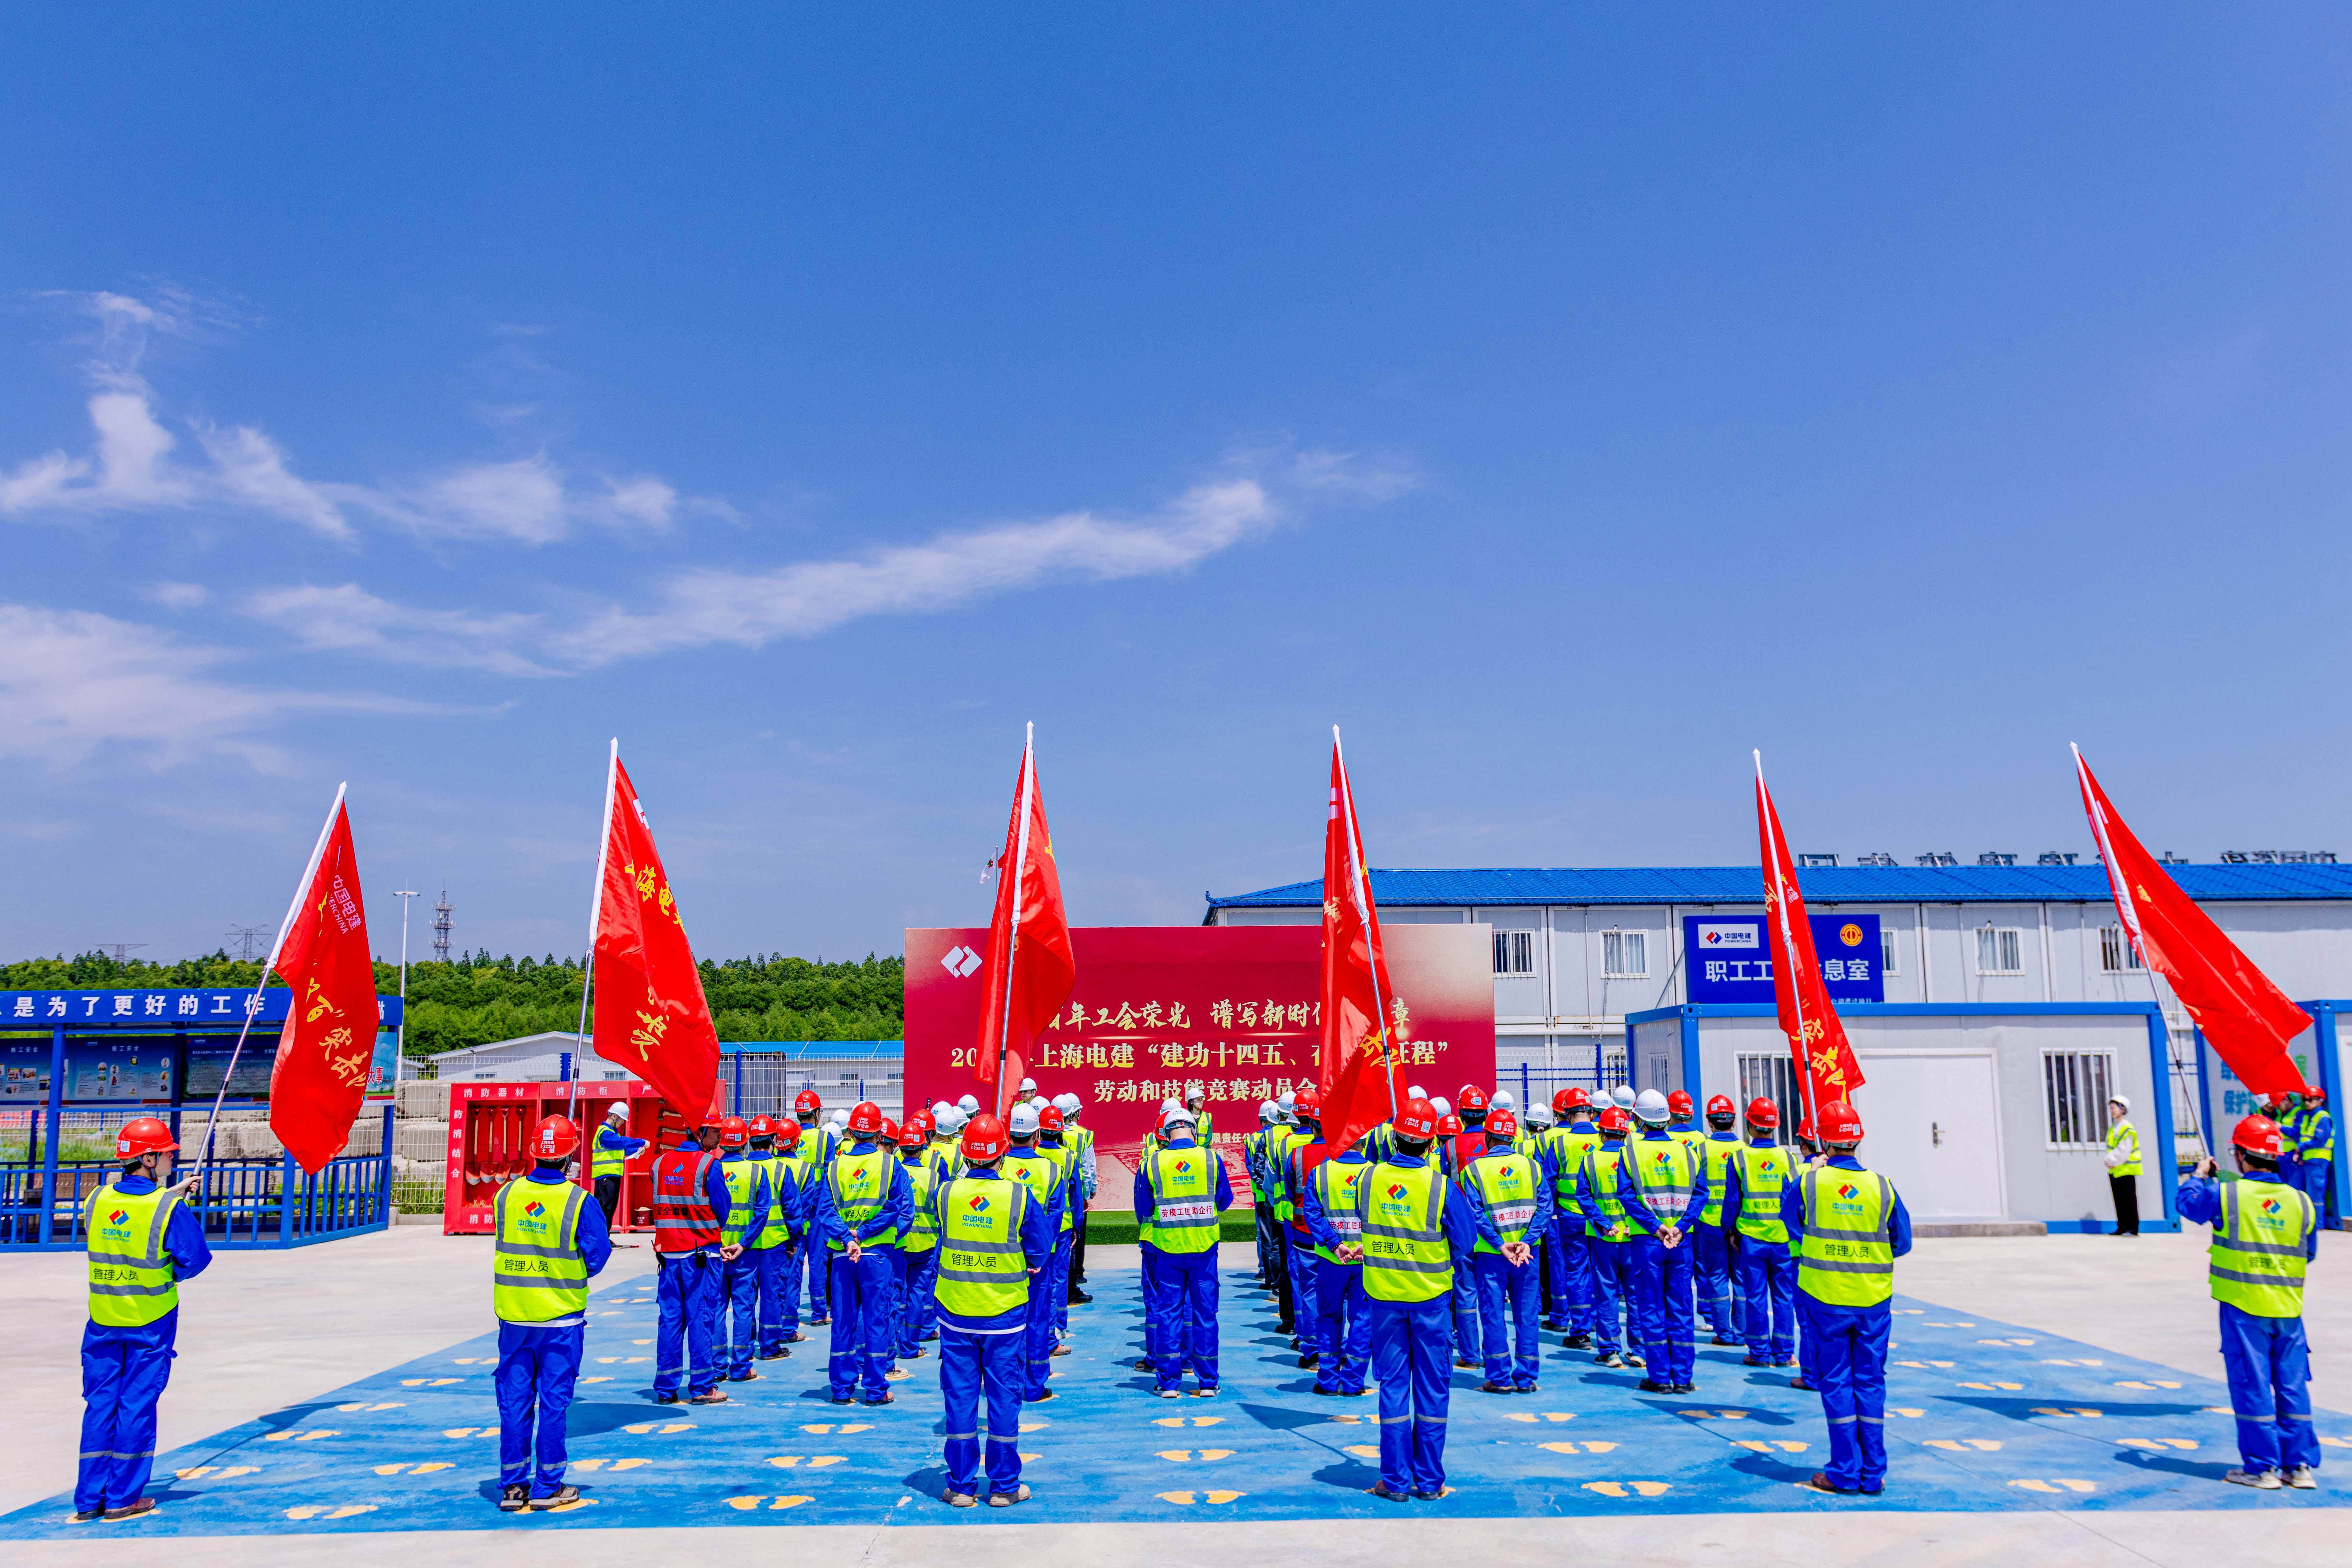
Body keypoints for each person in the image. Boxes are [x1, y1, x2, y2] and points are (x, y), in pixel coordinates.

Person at [1341, 1095, 1478, 1501]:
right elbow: (1466, 1240)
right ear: (1433, 1143)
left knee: (1394, 1388)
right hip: (1430, 1301)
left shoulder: (1367, 1179)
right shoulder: (1441, 1185)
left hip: (1384, 1299)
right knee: (1433, 1390)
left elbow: (1369, 1220)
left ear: (1394, 1137)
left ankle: (1396, 1481)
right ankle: (1430, 1482)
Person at [74, 1116, 211, 1523]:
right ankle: (123, 1498)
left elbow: (129, 1217)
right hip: (150, 1322)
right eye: (168, 1153)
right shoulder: (168, 1208)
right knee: (136, 1404)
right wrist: (175, 1211)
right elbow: (195, 1260)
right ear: (149, 1158)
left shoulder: (97, 1198)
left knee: (101, 1403)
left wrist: (171, 1194)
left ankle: (90, 1499)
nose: (172, 1159)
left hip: (103, 1319)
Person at [2178, 1113, 2320, 1488]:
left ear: (2241, 1155)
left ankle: (2262, 1469)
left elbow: (2188, 1205)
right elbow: (2308, 1253)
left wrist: (2199, 1175)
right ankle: (2299, 1467)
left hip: (2244, 1308)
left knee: (2252, 1385)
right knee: (2292, 1386)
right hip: (2289, 1310)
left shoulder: (2226, 1194)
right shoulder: (2302, 1202)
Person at [486, 1114, 613, 1511]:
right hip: (560, 1319)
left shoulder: (506, 1195)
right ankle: (547, 1485)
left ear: (534, 1152)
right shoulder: (580, 1201)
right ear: (570, 1155)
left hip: (514, 1317)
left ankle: (513, 1486)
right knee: (554, 1403)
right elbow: (597, 1256)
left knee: (514, 1401)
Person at [931, 1112, 1056, 1508]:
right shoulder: (1018, 1195)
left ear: (965, 1153)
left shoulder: (946, 1193)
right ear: (1003, 1154)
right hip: (1004, 1315)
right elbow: (1040, 1248)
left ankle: (961, 1486)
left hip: (955, 1312)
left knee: (960, 1399)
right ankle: (1003, 1486)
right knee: (1004, 1401)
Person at [1790, 1099, 1913, 1496]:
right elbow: (1902, 1242)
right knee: (1871, 1381)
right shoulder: (1883, 1185)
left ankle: (1844, 1471)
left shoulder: (1810, 1182)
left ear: (1824, 1141)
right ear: (1858, 1139)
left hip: (1825, 1299)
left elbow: (1792, 1226)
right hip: (1873, 1301)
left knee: (1837, 1381)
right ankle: (1872, 1473)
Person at [814, 1100, 912, 1404]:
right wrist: (864, 1234)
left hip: (843, 1256)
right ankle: (875, 1389)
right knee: (876, 1320)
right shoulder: (891, 1165)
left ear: (851, 1134)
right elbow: (896, 1208)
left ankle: (841, 1389)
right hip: (876, 1255)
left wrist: (847, 1238)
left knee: (843, 1321)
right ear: (880, 1134)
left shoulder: (835, 1167)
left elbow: (825, 1211)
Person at [1138, 1104, 1235, 1396]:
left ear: (1166, 1133)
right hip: (1203, 1250)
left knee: (1169, 1314)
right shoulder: (1211, 1159)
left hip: (1168, 1250)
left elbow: (1145, 1209)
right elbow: (1225, 1201)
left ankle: (1168, 1383)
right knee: (1206, 1315)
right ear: (1193, 1130)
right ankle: (1208, 1382)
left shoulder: (1151, 1163)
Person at [1616, 1088, 1705, 1394]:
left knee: (1651, 1307)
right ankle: (1683, 1378)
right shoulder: (1689, 1153)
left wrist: (1656, 1227)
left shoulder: (1630, 1153)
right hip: (1681, 1241)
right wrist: (1680, 1227)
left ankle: (1660, 1378)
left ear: (1638, 1120)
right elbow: (1700, 1195)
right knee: (1681, 1307)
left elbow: (1627, 1196)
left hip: (1649, 1242)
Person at [652, 1112, 738, 1405]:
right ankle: (702, 1387)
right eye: (715, 1131)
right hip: (700, 1256)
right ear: (699, 1133)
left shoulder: (659, 1164)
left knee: (670, 1321)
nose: (720, 1136)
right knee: (701, 1320)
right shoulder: (708, 1165)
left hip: (669, 1257)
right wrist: (709, 1234)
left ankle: (666, 1388)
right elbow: (723, 1208)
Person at [1464, 1106, 1551, 1393]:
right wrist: (1527, 1240)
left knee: (1493, 1315)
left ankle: (1499, 1378)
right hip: (1528, 1255)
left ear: (1488, 1137)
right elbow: (1545, 1208)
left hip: (1492, 1256)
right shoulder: (1533, 1167)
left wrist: (1499, 1244)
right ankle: (1526, 1378)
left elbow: (1476, 1215)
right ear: (1513, 1137)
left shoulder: (1473, 1171)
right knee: (1527, 1315)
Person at [1720, 1097, 1799, 1370]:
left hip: (1752, 1240)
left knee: (1755, 1296)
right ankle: (1785, 1353)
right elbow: (1794, 1200)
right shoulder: (1788, 1158)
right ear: (1775, 1126)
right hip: (1783, 1240)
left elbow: (1732, 1201)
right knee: (1784, 1297)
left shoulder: (1740, 1158)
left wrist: (1730, 1231)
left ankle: (1759, 1353)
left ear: (1750, 1126)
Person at [1000, 1102, 1070, 1400]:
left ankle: (1009, 1382)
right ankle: (1034, 1386)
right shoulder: (1051, 1170)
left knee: (1007, 1320)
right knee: (1037, 1320)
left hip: (1005, 1257)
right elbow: (1054, 1218)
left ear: (1010, 1135)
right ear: (1037, 1135)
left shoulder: (1000, 1166)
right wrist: (1038, 1256)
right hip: (1040, 1260)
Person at [1301, 1126, 1372, 1396]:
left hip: (1332, 1260)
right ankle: (1354, 1382)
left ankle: (1329, 1380)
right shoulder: (1375, 1174)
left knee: (1330, 1317)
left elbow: (1313, 1215)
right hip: (1365, 1260)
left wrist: (1335, 1244)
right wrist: (1366, 1244)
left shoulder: (1321, 1172)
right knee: (1362, 1320)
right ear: (1364, 1142)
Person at [713, 1116, 775, 1382]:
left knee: (716, 1309)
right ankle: (740, 1367)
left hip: (716, 1252)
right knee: (743, 1309)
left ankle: (717, 1367)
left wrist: (718, 1244)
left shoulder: (712, 1169)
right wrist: (744, 1243)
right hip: (745, 1253)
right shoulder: (756, 1172)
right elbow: (762, 1213)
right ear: (745, 1142)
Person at [1545, 1088, 1600, 1347]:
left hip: (1570, 1218)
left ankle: (1581, 1331)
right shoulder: (1604, 1139)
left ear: (1567, 1115)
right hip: (1603, 1220)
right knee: (1601, 1272)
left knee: (1576, 1272)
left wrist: (1554, 1212)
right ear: (1591, 1113)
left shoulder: (1559, 1144)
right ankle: (1603, 1327)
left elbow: (1548, 1184)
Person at [757, 1117, 817, 1354]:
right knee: (789, 1283)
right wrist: (796, 1234)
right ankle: (787, 1329)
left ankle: (750, 1340)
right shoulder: (804, 1168)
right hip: (788, 1236)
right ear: (797, 1142)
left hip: (753, 1238)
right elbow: (804, 1204)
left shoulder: (760, 1165)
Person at [1282, 1087, 1330, 1365]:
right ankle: (1337, 1350)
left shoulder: (1297, 1155)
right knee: (1338, 1296)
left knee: (1309, 1291)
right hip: (1336, 1238)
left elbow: (1290, 1192)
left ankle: (1312, 1350)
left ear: (1312, 1125)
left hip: (1303, 1233)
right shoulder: (1341, 1154)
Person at [1692, 1093, 1743, 1344]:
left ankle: (1723, 1332)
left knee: (1716, 1277)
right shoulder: (1745, 1151)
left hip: (1711, 1224)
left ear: (1709, 1122)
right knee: (1741, 1279)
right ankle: (1742, 1332)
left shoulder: (1700, 1149)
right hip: (1741, 1226)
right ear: (1734, 1122)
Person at [895, 1109, 943, 1359]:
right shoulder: (933, 1177)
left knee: (895, 1293)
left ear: (901, 1148)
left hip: (897, 1243)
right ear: (923, 1148)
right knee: (917, 1295)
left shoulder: (893, 1172)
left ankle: (890, 1344)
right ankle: (910, 1347)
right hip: (925, 1244)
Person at [1036, 1105, 1079, 1343]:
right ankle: (1059, 1326)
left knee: (1039, 1279)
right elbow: (1076, 1195)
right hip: (1062, 1226)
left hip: (1034, 1227)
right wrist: (1077, 1225)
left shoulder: (1033, 1155)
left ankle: (1041, 1327)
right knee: (1060, 1277)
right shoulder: (1068, 1157)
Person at [792, 1089, 832, 1324]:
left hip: (792, 1210)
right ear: (817, 1113)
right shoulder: (825, 1138)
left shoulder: (787, 1135)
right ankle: (819, 1314)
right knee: (818, 1262)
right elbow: (828, 1176)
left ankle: (788, 1316)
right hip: (816, 1210)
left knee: (793, 1263)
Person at [1055, 1092, 1099, 1302]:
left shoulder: (1042, 1139)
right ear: (1075, 1113)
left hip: (1052, 1196)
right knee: (1075, 1237)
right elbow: (1089, 1166)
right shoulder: (1084, 1135)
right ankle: (1076, 1275)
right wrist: (1090, 1191)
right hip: (1076, 1192)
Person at [589, 1101, 647, 1225]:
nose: (622, 1123)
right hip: (605, 1177)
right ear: (615, 1116)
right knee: (604, 1211)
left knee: (609, 1211)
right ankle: (601, 1236)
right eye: (622, 1120)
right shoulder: (605, 1133)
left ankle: (606, 1235)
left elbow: (622, 1150)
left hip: (612, 1177)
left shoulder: (613, 1135)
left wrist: (637, 1150)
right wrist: (641, 1142)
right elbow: (620, 1143)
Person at [2105, 1095, 2143, 1238]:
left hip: (2126, 1170)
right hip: (2116, 1170)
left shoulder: (2126, 1128)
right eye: (2111, 1108)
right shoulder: (2114, 1127)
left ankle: (2132, 1229)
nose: (2112, 1111)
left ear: (2122, 1109)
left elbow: (2124, 1151)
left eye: (2114, 1108)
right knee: (2120, 1201)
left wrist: (2110, 1161)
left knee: (2129, 1200)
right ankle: (2122, 1227)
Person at [2295, 1088, 2334, 1226]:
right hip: (2309, 1160)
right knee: (2307, 1193)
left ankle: (2318, 1225)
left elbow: (2320, 1141)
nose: (2307, 1102)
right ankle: (2311, 1223)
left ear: (2320, 1101)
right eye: (2305, 1099)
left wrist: (2301, 1147)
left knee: (2315, 1194)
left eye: (2310, 1099)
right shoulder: (2308, 1116)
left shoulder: (2323, 1118)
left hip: (2318, 1161)